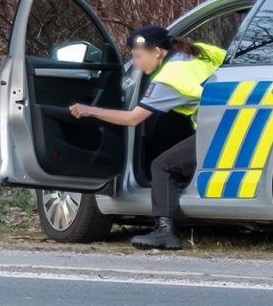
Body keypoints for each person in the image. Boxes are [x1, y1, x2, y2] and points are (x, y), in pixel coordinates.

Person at [70, 26, 225, 250]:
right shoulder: (200, 51)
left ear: (158, 52)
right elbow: (230, 62)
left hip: (215, 132)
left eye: (138, 56)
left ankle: (165, 230)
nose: (136, 63)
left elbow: (133, 119)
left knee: (162, 166)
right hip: (233, 123)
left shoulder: (167, 79)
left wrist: (90, 111)